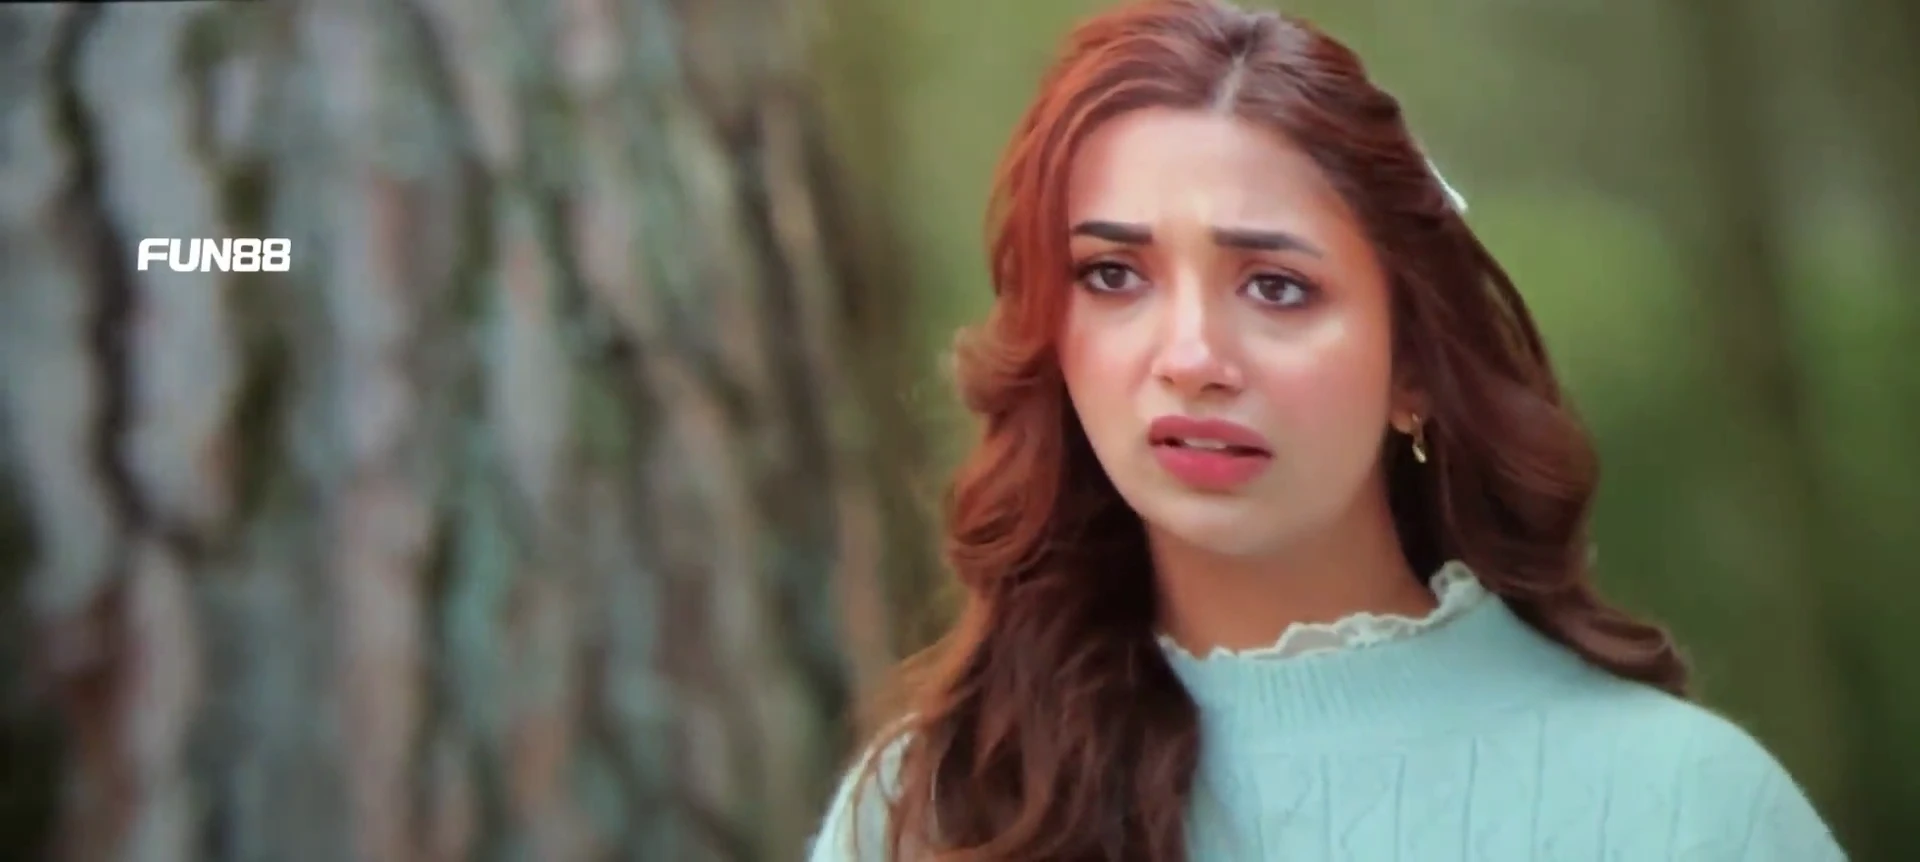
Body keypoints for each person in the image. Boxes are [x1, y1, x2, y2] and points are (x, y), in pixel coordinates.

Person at [808, 0, 1846, 859]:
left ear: (1414, 369)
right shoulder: (933, 812)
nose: (1191, 356)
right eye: (1114, 275)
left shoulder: (1682, 806)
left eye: (1276, 286)